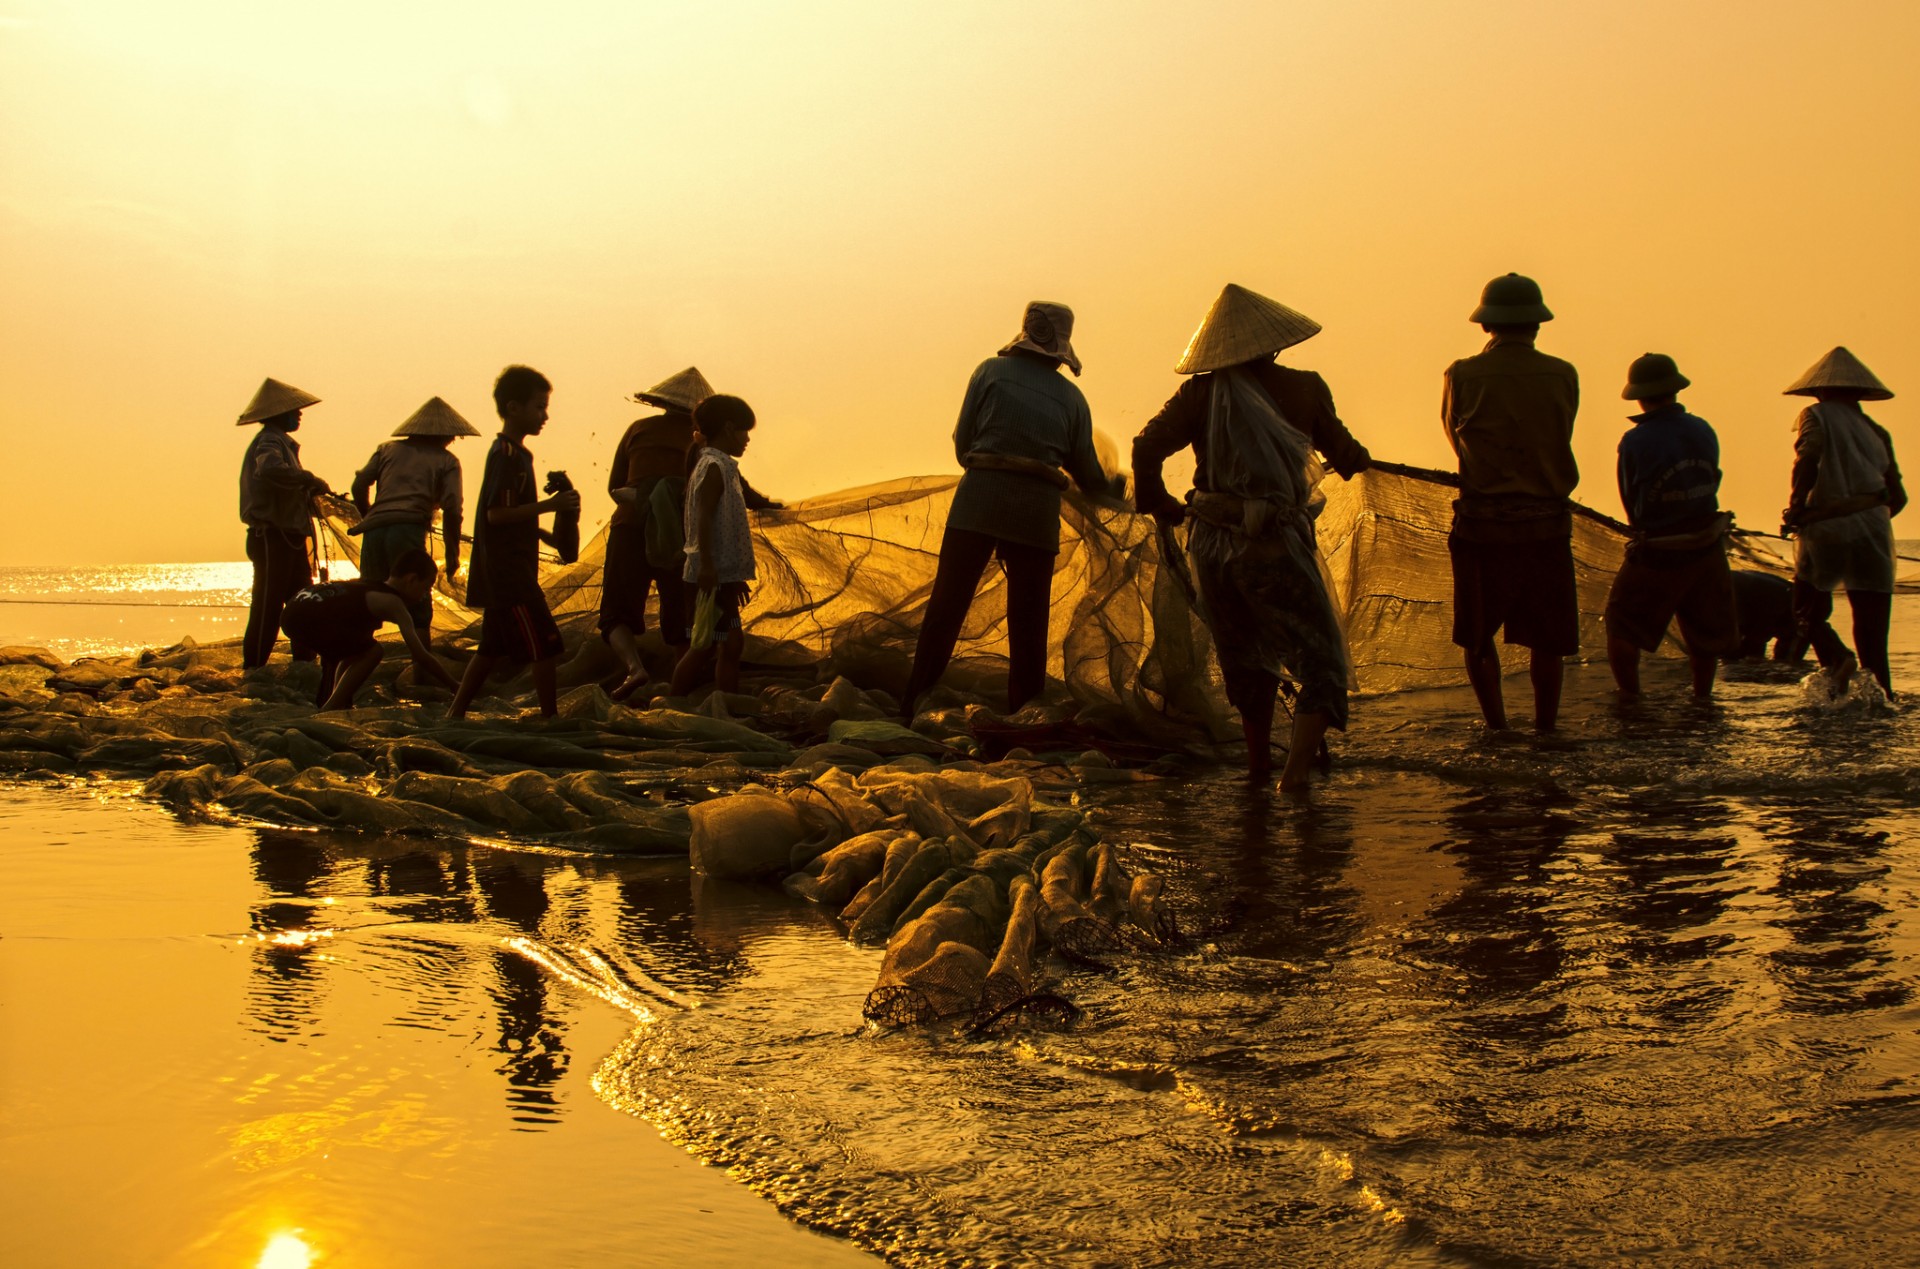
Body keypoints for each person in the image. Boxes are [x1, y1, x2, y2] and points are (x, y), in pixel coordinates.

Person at [1133, 283, 1372, 790]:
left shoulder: (1198, 394)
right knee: (1321, 660)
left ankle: (1259, 768)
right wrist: (1354, 459)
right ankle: (1293, 777)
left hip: (1212, 545)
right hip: (1272, 544)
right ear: (1274, 343)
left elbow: (1146, 447)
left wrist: (1160, 504)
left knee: (1245, 657)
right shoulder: (1305, 388)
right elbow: (1346, 455)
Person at [901, 301, 1109, 719]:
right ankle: (1025, 715)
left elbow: (964, 444)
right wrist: (1115, 489)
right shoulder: (1073, 399)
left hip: (980, 496)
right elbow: (1087, 472)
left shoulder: (989, 372)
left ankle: (911, 703)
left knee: (947, 605)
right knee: (1029, 621)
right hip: (1036, 508)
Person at [1442, 273, 1581, 732]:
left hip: (1484, 526)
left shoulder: (1461, 374)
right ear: (1536, 325)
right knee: (1548, 639)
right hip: (1547, 525)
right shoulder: (1563, 373)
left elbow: (1455, 441)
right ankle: (1546, 726)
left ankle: (1498, 728)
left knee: (1478, 636)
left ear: (1487, 326)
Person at [1602, 354, 1740, 700]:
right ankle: (1702, 698)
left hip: (1659, 551)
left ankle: (1631, 699)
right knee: (1703, 633)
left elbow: (1630, 498)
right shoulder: (1703, 429)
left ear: (1639, 396)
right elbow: (1715, 476)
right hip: (1707, 546)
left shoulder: (1635, 441)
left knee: (1622, 625)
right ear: (1675, 390)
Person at [449, 366, 581, 719]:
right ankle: (550, 717)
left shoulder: (518, 454)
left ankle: (455, 712)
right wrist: (553, 505)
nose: (545, 416)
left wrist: (553, 531)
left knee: (490, 647)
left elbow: (518, 517)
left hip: (508, 566)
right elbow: (497, 515)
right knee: (546, 645)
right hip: (509, 572)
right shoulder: (506, 456)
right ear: (513, 408)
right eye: (539, 407)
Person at [1780, 346, 1906, 697]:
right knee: (1872, 633)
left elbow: (1808, 460)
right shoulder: (1876, 431)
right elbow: (1898, 498)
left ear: (1819, 390)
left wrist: (1797, 508)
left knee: (1806, 611)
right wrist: (1866, 518)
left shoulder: (1815, 416)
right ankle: (1882, 700)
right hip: (1875, 536)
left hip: (1826, 532)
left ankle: (1837, 663)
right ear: (1860, 393)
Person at [600, 367, 711, 699]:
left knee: (615, 614)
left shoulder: (638, 429)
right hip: (676, 536)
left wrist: (643, 498)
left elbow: (614, 487)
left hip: (629, 525)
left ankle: (635, 669)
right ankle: (682, 689)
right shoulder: (701, 443)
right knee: (680, 615)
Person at [348, 396, 477, 635]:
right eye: (452, 437)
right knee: (416, 600)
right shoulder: (446, 460)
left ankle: (355, 661)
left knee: (369, 596)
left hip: (374, 531)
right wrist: (452, 556)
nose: (452, 441)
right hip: (407, 530)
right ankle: (421, 666)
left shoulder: (387, 449)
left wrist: (371, 516)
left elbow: (359, 486)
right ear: (444, 435)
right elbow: (452, 509)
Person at [281, 548, 460, 710]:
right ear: (411, 580)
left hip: (292, 612)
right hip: (308, 617)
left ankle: (337, 700)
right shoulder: (392, 602)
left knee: (358, 651)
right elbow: (421, 655)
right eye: (426, 588)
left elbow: (353, 650)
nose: (423, 597)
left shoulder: (366, 585)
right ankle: (332, 706)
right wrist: (455, 686)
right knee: (374, 652)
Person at [236, 377, 331, 670]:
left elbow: (285, 487)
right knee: (267, 607)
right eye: (295, 410)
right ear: (279, 415)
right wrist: (307, 478)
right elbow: (270, 469)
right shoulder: (269, 441)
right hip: (271, 538)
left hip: (290, 537)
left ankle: (303, 663)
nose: (299, 414)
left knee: (301, 602)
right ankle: (254, 669)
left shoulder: (284, 444)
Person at [670, 395, 761, 697]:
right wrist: (707, 566)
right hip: (709, 575)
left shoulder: (721, 466)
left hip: (721, 575)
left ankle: (726, 706)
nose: (748, 439)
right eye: (745, 431)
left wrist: (731, 577)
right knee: (705, 645)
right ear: (729, 428)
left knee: (728, 644)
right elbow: (703, 519)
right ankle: (674, 704)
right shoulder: (713, 466)